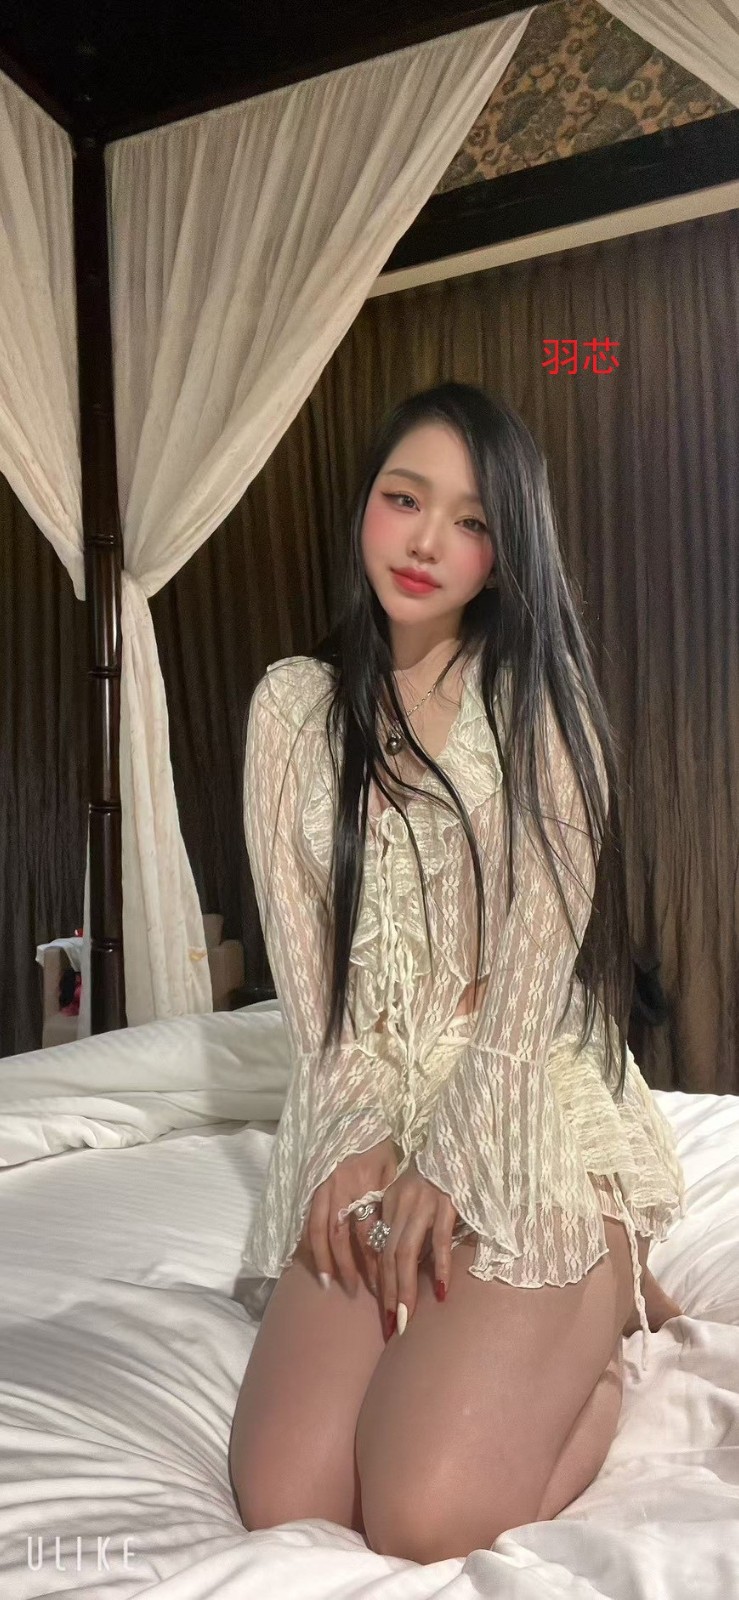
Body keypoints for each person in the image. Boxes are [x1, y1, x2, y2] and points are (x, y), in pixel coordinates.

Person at [229, 382, 686, 1563]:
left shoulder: (542, 707)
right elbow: (319, 1004)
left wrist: (449, 1159)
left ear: (503, 552)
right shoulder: (293, 710)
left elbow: (525, 1001)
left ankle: (596, 1336)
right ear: (366, 509)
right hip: (375, 1102)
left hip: (518, 1094)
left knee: (425, 1513)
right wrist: (352, 1138)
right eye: (404, 499)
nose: (426, 540)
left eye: (470, 520)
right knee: (288, 1499)